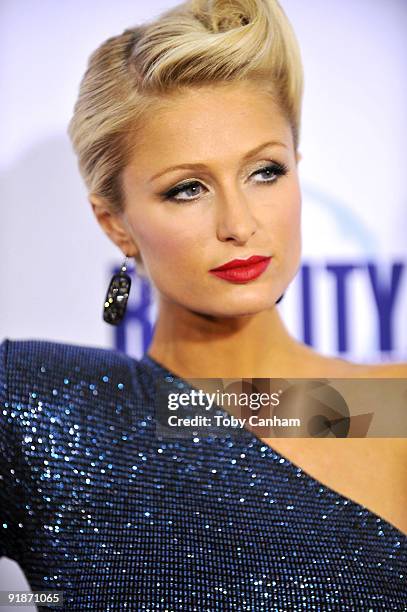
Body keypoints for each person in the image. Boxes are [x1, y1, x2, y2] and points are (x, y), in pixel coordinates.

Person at [1, 0, 406, 609]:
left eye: (264, 172)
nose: (239, 224)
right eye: (187, 188)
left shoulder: (388, 408)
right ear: (116, 224)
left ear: (297, 171)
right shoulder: (42, 402)